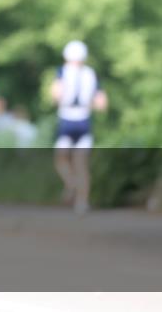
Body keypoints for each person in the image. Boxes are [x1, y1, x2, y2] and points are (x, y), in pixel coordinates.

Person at [51, 40, 108, 214]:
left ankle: (72, 183)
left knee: (61, 159)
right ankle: (81, 203)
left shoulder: (62, 72)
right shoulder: (91, 74)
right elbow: (102, 102)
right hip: (84, 120)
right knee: (81, 164)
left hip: (67, 119)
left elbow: (55, 95)